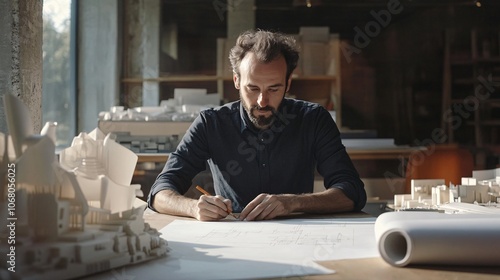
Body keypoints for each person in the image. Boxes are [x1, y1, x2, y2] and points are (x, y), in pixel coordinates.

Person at [147, 29, 366, 221]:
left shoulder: (313, 119)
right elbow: (160, 192)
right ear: (236, 81)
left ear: (288, 83)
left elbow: (352, 192)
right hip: (231, 237)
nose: (262, 101)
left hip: (297, 237)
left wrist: (292, 203)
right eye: (252, 89)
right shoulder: (210, 124)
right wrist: (193, 207)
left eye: (273, 89)